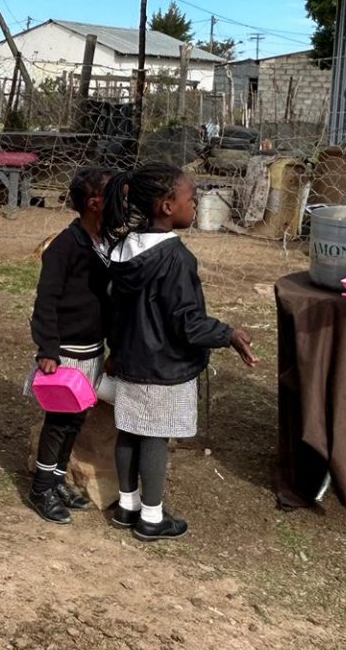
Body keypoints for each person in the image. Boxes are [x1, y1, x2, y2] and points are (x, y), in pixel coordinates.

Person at [105, 164, 256, 542]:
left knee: (128, 430)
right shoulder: (176, 259)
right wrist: (228, 335)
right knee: (154, 436)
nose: (196, 204)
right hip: (162, 366)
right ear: (168, 206)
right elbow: (188, 324)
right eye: (191, 198)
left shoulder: (121, 247)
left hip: (128, 360)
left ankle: (127, 505)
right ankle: (152, 518)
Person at [26, 167, 112, 524]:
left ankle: (57, 478)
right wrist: (48, 349)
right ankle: (41, 488)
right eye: (115, 196)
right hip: (65, 354)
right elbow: (45, 300)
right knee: (59, 421)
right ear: (95, 203)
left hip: (92, 351)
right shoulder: (65, 246)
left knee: (76, 419)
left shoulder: (105, 242)